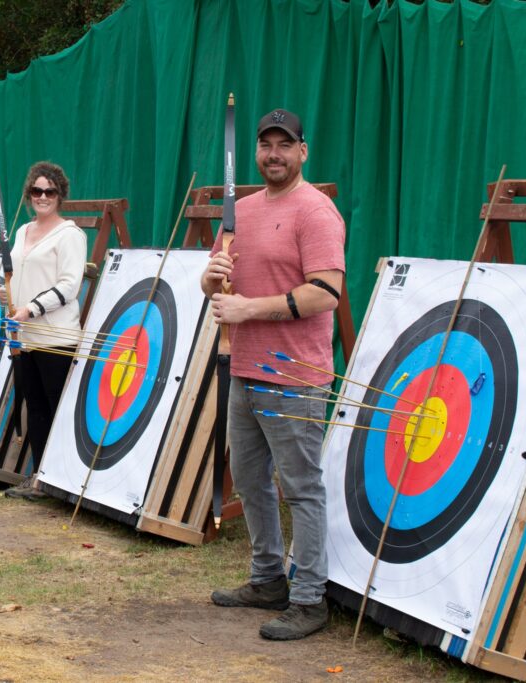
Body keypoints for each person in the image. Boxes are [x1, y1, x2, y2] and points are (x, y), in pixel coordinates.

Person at [201, 109, 345, 641]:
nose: (274, 154)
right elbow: (214, 286)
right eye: (266, 145)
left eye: (286, 145)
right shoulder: (241, 211)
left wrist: (247, 310)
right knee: (253, 482)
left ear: (303, 152)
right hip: (245, 370)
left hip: (295, 376)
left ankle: (309, 599)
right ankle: (267, 579)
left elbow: (325, 292)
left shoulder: (317, 211)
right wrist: (210, 278)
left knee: (301, 489)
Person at [0, 161, 86, 500]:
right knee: (34, 407)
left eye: (50, 191)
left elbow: (69, 287)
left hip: (56, 337)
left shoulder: (71, 235)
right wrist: (7, 295)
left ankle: (64, 480)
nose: (43, 196)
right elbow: (16, 275)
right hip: (26, 336)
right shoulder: (22, 231)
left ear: (60, 194)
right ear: (29, 194)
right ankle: (40, 477)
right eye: (37, 191)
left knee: (57, 407)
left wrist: (30, 309)